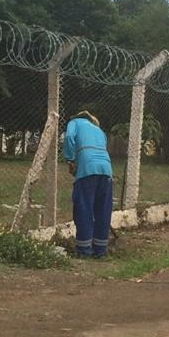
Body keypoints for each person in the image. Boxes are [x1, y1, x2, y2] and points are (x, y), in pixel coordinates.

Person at [63, 110, 113, 258]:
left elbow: (69, 137)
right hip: (106, 169)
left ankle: (84, 250)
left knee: (84, 208)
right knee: (102, 210)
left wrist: (70, 159)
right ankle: (100, 250)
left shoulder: (74, 123)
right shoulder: (98, 129)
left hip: (87, 168)